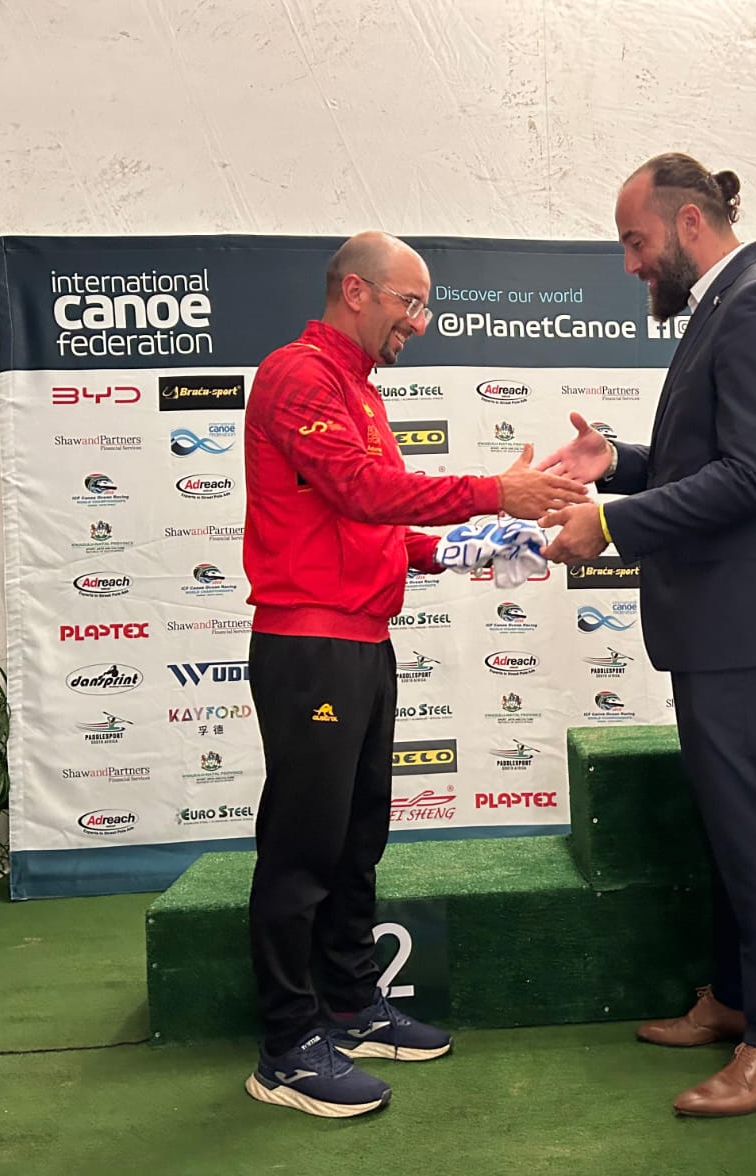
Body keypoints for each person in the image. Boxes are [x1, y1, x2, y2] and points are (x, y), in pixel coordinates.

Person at [241, 231, 588, 1118]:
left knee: (357, 841)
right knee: (302, 852)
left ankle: (350, 1007)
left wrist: (477, 545)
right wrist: (490, 494)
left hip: (362, 641)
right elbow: (360, 491)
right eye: (410, 302)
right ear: (356, 291)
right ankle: (285, 1050)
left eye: (425, 305)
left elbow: (376, 527)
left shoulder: (358, 388)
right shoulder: (297, 374)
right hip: (311, 644)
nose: (421, 322)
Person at [541, 153, 756, 1117]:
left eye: (636, 242)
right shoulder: (730, 303)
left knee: (749, 828)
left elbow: (752, 478)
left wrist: (610, 523)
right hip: (722, 615)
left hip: (742, 616)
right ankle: (738, 1000)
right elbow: (709, 455)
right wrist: (619, 462)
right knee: (728, 822)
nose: (631, 264)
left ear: (689, 223)